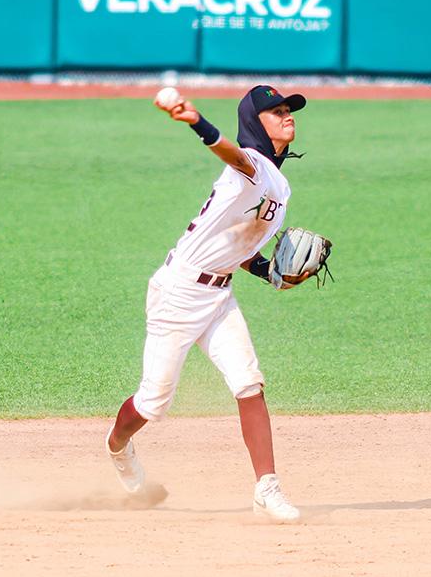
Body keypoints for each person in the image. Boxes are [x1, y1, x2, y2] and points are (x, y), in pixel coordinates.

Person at [105, 84, 317, 523]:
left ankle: (267, 488)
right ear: (255, 123)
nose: (286, 115)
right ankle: (118, 448)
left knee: (248, 383)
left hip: (218, 295)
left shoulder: (279, 182)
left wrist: (267, 273)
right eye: (275, 111)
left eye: (287, 109)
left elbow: (237, 243)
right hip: (179, 292)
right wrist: (197, 122)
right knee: (153, 402)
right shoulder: (252, 163)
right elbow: (231, 154)